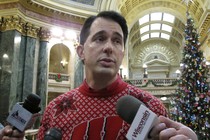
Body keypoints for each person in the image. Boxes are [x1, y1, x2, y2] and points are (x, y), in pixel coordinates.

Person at [0, 11, 198, 140]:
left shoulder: (151, 107)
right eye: (100, 38)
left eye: (117, 41)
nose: (109, 48)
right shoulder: (55, 109)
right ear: (81, 52)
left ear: (122, 54)